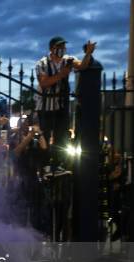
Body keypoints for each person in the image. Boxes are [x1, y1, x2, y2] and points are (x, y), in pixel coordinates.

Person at [35, 36, 96, 169]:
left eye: (63, 47)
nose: (62, 49)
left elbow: (82, 66)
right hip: (44, 106)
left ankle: (57, 165)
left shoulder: (68, 60)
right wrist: (62, 75)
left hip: (61, 105)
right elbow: (44, 83)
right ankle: (43, 165)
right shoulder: (42, 63)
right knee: (44, 136)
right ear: (52, 49)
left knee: (61, 136)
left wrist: (88, 54)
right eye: (59, 47)